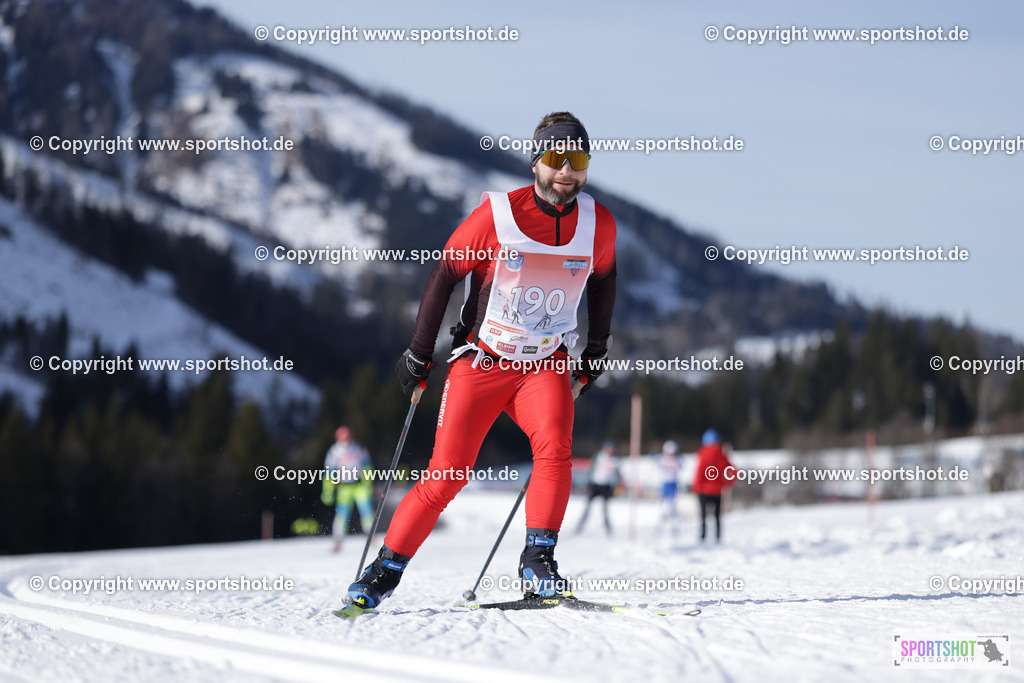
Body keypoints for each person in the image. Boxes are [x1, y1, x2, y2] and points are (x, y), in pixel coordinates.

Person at [348, 112, 617, 609]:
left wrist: (595, 350)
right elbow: (445, 273)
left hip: (545, 364)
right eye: (556, 158)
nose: (567, 171)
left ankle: (538, 562)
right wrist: (419, 351)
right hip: (485, 360)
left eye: (577, 160)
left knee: (554, 450)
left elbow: (602, 281)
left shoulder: (598, 223)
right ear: (536, 162)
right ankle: (384, 572)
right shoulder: (499, 215)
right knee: (448, 473)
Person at [321, 426, 374, 553]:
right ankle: (338, 540)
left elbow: (367, 467)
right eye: (343, 439)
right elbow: (329, 472)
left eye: (347, 438)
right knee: (342, 513)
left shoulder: (359, 448)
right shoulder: (334, 451)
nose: (346, 441)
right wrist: (328, 490)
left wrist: (368, 483)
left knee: (366, 510)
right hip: (344, 487)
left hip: (359, 485)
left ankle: (371, 535)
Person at [690, 429, 735, 543]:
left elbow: (699, 472)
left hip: (703, 490)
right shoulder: (721, 455)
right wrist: (727, 483)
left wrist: (695, 487)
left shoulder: (703, 454)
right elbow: (733, 470)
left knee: (703, 516)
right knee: (717, 516)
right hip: (717, 491)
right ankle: (718, 537)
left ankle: (703, 537)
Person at [575, 440, 620, 536]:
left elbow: (616, 475)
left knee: (605, 510)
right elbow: (591, 469)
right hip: (595, 485)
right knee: (587, 508)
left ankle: (608, 529)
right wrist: (586, 482)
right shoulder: (598, 456)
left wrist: (613, 487)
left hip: (606, 487)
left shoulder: (615, 460)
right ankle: (580, 527)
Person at [658, 440, 681, 530]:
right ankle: (662, 519)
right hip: (665, 484)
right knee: (663, 504)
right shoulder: (662, 460)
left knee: (673, 505)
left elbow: (681, 466)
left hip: (673, 484)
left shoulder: (677, 460)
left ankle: (674, 522)